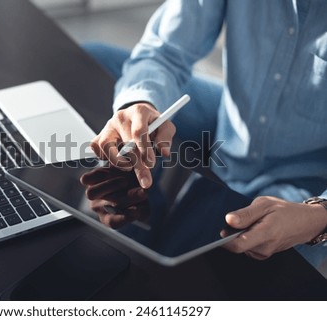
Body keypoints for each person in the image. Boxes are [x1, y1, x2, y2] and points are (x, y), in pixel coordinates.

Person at [85, 0, 327, 267]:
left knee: (221, 274)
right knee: (93, 58)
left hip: (309, 181)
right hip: (235, 116)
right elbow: (164, 51)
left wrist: (319, 216)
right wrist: (140, 104)